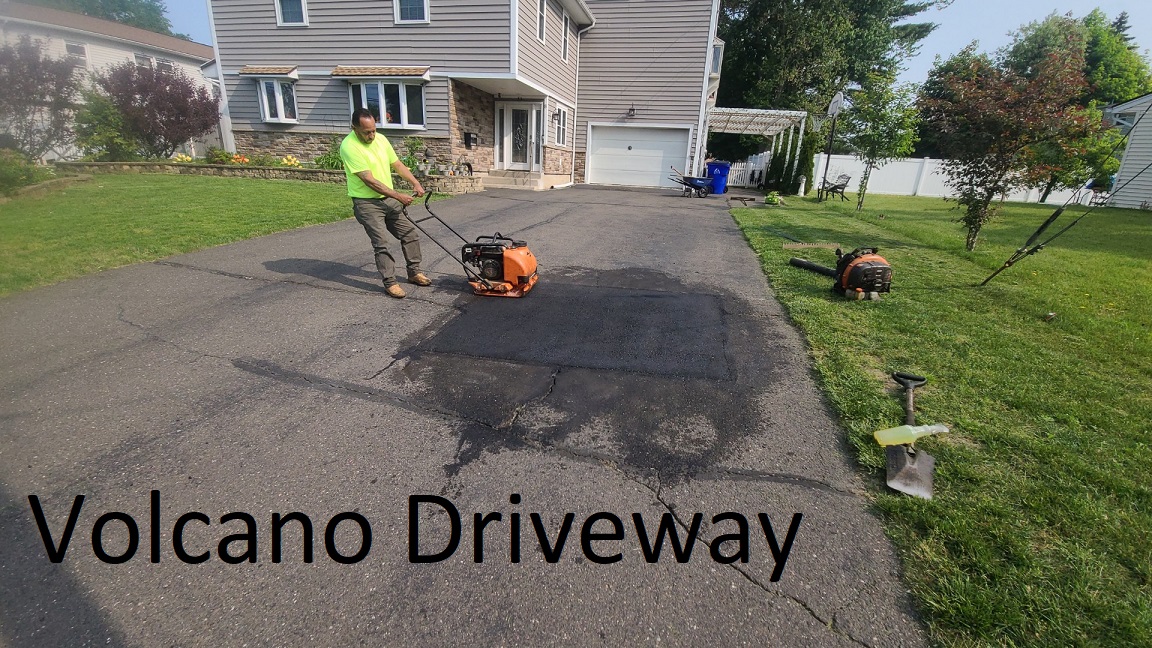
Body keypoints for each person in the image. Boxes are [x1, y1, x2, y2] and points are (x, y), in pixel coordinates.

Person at [339, 108, 430, 298]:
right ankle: (390, 283)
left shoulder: (380, 139)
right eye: (367, 132)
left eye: (373, 130)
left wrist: (415, 182)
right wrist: (399, 196)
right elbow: (370, 181)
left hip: (388, 199)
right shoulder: (349, 146)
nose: (372, 135)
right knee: (382, 243)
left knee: (410, 233)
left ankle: (414, 273)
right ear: (354, 128)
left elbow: (396, 164)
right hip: (367, 203)